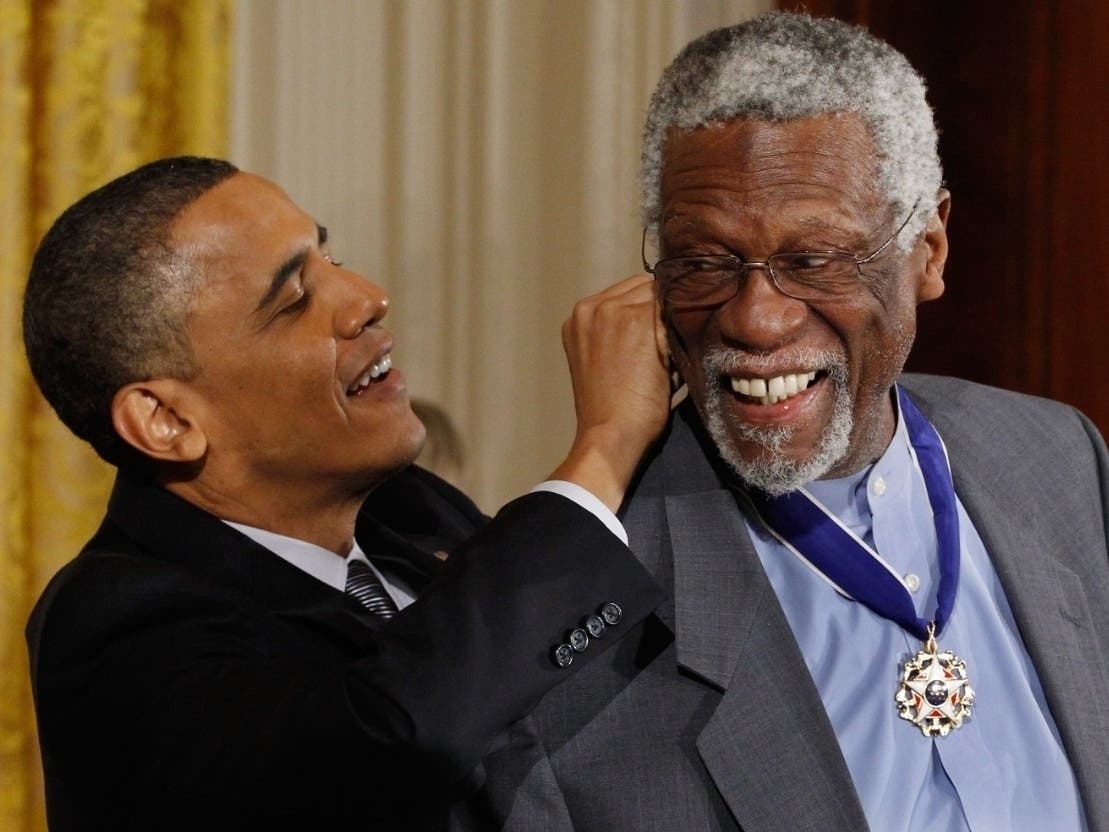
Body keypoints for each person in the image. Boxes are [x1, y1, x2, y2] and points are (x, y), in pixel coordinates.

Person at [455, 11, 1109, 832]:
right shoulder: (576, 628)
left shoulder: (1055, 458)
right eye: (704, 262)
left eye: (814, 261)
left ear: (928, 250)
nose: (756, 320)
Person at [22, 156, 671, 831]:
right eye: (293, 299)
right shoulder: (116, 623)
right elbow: (393, 735)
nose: (367, 297)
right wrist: (604, 444)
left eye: (332, 259)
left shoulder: (407, 509)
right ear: (168, 421)